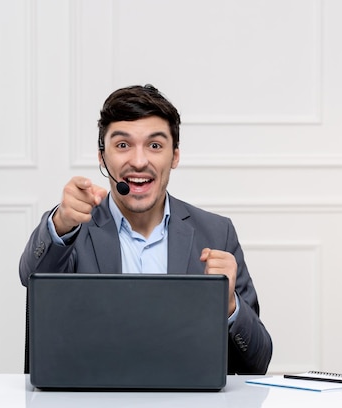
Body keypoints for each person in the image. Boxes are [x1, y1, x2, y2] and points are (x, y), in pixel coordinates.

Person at [19, 84, 272, 374]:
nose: (139, 162)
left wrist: (230, 306)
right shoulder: (72, 227)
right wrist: (60, 223)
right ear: (102, 157)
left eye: (155, 145)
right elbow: (30, 277)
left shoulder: (216, 232)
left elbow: (258, 361)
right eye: (123, 145)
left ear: (175, 156)